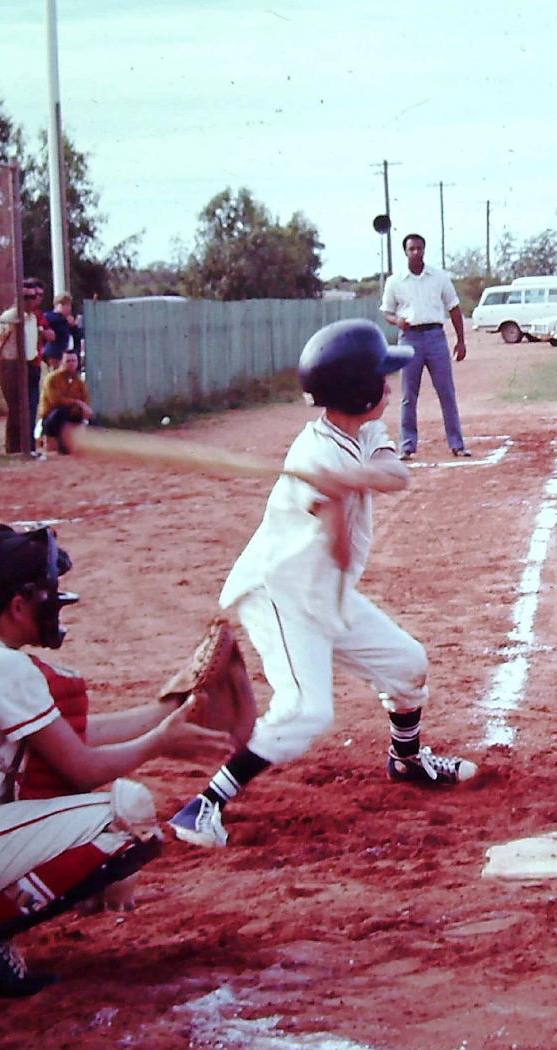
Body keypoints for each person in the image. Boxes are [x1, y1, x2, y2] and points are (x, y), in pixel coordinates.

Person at [168, 319, 479, 849]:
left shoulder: (358, 435)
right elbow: (336, 547)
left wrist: (347, 479)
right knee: (306, 710)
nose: (389, 383)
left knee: (407, 664)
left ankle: (406, 763)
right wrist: (330, 496)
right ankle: (202, 806)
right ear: (361, 392)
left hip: (323, 591)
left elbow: (396, 475)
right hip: (282, 595)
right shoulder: (312, 456)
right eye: (381, 377)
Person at [0, 524, 227, 997]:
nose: (56, 600)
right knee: (126, 814)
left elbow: (69, 738)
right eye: (47, 591)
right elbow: (82, 767)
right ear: (18, 605)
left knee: (91, 807)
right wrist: (159, 743)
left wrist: (164, 713)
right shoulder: (2, 667)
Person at [380, 233, 471, 458]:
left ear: (424, 250)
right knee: (409, 395)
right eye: (411, 249)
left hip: (435, 337)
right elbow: (387, 312)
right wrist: (397, 321)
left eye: (419, 248)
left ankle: (457, 444)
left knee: (446, 392)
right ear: (405, 252)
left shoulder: (439, 277)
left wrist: (461, 340)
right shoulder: (395, 281)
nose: (416, 252)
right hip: (409, 338)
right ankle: (407, 446)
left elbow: (454, 308)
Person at [0, 279, 49, 454]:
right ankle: (14, 449)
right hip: (10, 366)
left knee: (30, 408)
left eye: (34, 297)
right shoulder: (9, 317)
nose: (31, 301)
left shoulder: (31, 318)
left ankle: (28, 448)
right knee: (16, 410)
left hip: (30, 364)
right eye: (27, 297)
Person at [37, 350, 93, 454]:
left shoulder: (79, 381)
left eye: (73, 361)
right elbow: (56, 400)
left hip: (71, 414)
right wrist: (77, 403)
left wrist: (83, 411)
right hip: (52, 417)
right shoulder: (52, 379)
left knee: (93, 420)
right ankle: (57, 445)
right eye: (68, 361)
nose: (71, 364)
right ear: (61, 362)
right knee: (61, 412)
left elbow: (85, 401)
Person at [42, 293, 84, 369]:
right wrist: (65, 320)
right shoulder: (49, 316)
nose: (68, 308)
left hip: (66, 354)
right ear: (58, 305)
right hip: (53, 354)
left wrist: (73, 326)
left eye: (69, 305)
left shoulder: (67, 320)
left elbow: (78, 335)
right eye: (66, 305)